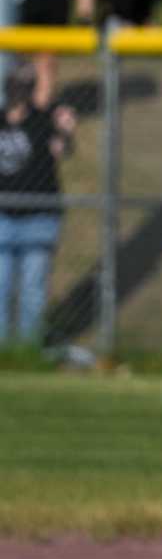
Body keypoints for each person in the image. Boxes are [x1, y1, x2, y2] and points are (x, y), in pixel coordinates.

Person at [0, 64, 79, 348]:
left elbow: (63, 149)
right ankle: (4, 352)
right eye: (15, 83)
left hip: (39, 218)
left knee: (32, 290)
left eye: (26, 84)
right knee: (2, 285)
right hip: (3, 217)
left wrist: (66, 131)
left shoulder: (43, 119)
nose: (19, 90)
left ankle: (27, 349)